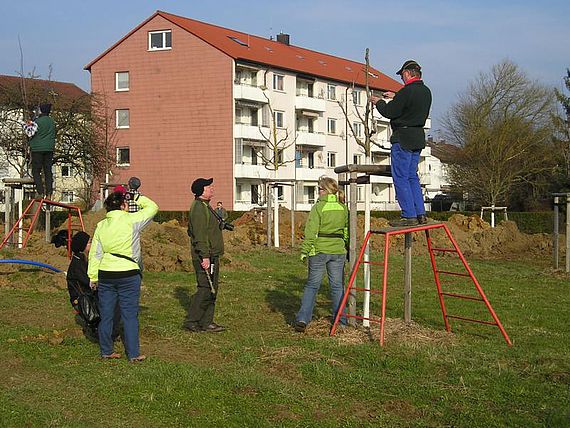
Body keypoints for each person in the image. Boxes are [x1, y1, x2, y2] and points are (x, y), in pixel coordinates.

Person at [88, 191, 158, 362]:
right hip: (128, 273)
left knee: (107, 314)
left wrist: (93, 276)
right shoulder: (132, 221)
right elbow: (153, 207)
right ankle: (133, 354)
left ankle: (106, 350)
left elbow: (95, 253)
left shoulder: (101, 226)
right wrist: (136, 196)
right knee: (129, 315)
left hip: (106, 274)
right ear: (123, 205)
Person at [370, 60, 432, 227]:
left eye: (402, 76)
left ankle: (408, 215)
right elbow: (411, 103)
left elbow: (390, 112)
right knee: (412, 176)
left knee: (401, 177)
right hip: (418, 138)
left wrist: (379, 102)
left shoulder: (406, 92)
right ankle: (421, 213)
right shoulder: (426, 92)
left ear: (407, 73)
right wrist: (397, 96)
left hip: (403, 138)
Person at [294, 176, 348, 333]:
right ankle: (341, 321)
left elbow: (311, 232)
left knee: (312, 285)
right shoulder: (343, 207)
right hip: (338, 251)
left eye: (319, 189)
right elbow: (345, 230)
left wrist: (305, 250)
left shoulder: (318, 208)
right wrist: (345, 245)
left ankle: (303, 318)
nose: (318, 191)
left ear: (325, 191)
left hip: (319, 250)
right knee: (337, 287)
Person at [184, 177, 225, 333]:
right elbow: (199, 235)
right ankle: (192, 320)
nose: (212, 189)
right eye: (209, 187)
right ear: (201, 191)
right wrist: (205, 256)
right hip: (205, 256)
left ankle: (207, 321)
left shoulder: (206, 206)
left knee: (212, 288)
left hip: (211, 254)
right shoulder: (199, 209)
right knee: (205, 288)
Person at [66, 231, 120, 341]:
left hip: (90, 295)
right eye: (90, 242)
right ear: (82, 247)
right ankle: (99, 332)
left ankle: (108, 331)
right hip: (82, 299)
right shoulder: (77, 264)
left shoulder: (86, 259)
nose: (93, 244)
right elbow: (89, 281)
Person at [24, 103, 56, 199]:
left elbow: (30, 133)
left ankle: (40, 192)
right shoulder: (52, 122)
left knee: (36, 171)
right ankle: (49, 193)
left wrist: (28, 124)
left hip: (37, 149)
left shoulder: (37, 121)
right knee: (48, 171)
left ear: (41, 110)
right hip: (49, 149)